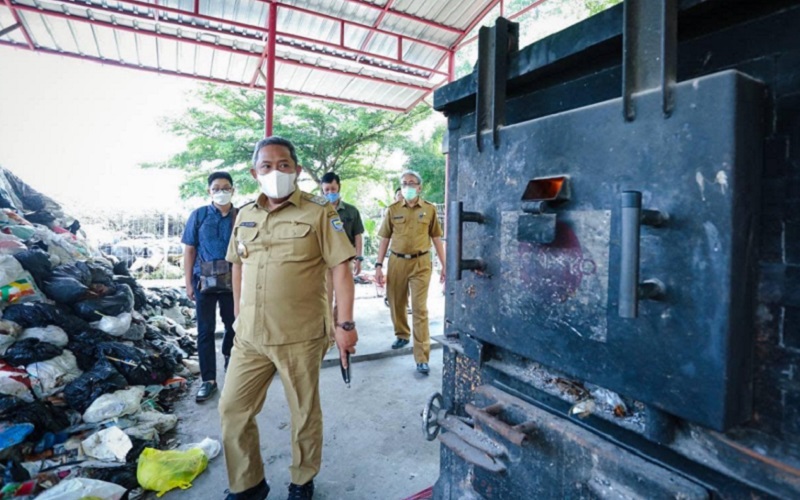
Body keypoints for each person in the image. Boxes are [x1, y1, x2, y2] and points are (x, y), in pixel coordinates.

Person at [220, 136, 358, 500]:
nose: (275, 172)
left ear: (296, 170)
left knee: (303, 413)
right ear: (255, 172)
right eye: (266, 166)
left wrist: (345, 325)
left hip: (300, 334)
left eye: (283, 165)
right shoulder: (245, 214)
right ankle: (248, 484)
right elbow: (237, 266)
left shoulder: (319, 212)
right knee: (232, 408)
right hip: (249, 336)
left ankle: (302, 480)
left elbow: (341, 270)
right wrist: (237, 317)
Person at [374, 170, 445, 375]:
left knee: (420, 309)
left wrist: (444, 265)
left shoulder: (429, 210)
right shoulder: (393, 210)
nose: (408, 187)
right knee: (396, 301)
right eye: (404, 183)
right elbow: (385, 239)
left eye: (412, 183)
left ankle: (422, 357)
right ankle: (402, 333)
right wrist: (378, 265)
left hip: (421, 263)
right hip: (397, 261)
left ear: (419, 187)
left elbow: (436, 238)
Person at [182, 171, 237, 403]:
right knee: (204, 331)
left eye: (225, 188)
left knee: (234, 327)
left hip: (234, 282)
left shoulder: (241, 215)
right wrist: (188, 282)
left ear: (233, 190)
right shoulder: (199, 215)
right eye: (216, 188)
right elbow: (189, 250)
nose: (221, 192)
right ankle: (208, 381)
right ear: (209, 191)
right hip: (202, 281)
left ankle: (230, 365)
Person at [320, 172, 365, 344]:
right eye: (326, 190)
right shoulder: (319, 211)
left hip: (345, 262)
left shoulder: (351, 211)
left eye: (333, 188)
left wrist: (359, 258)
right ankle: (330, 337)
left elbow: (358, 236)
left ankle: (341, 330)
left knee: (342, 299)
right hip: (325, 263)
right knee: (326, 299)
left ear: (339, 187)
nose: (330, 192)